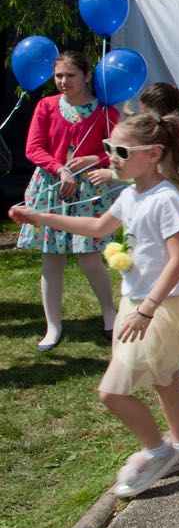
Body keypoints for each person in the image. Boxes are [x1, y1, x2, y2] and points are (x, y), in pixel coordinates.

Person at [9, 113, 179, 497]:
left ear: (152, 154)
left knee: (112, 392)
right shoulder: (131, 194)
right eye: (107, 149)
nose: (110, 158)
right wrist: (40, 217)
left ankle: (156, 450)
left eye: (120, 151)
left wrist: (147, 309)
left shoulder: (165, 199)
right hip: (137, 303)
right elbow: (98, 228)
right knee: (166, 379)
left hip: (157, 309)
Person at [17, 50, 119, 350]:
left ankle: (110, 313)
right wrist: (60, 169)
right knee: (51, 259)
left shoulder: (105, 112)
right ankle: (53, 325)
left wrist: (95, 158)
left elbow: (119, 150)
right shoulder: (46, 106)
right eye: (59, 75)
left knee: (88, 257)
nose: (63, 81)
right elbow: (33, 148)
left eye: (70, 75)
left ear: (87, 76)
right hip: (51, 188)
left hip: (87, 192)